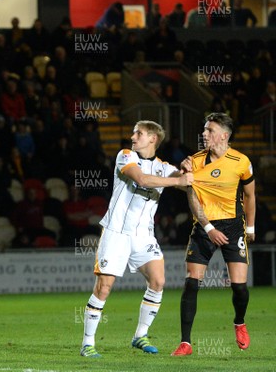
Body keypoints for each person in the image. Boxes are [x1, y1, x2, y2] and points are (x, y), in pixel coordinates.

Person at [80, 121, 194, 358]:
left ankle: (140, 335)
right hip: (116, 232)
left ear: (153, 138)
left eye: (139, 133)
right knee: (104, 287)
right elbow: (142, 179)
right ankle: (87, 343)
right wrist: (179, 181)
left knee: (158, 281)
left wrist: (188, 170)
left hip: (143, 236)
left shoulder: (164, 168)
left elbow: (189, 183)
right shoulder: (125, 156)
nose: (133, 137)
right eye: (133, 132)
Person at [172, 113, 255, 356]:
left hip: (233, 227)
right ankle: (185, 343)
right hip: (204, 227)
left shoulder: (241, 161)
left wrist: (250, 227)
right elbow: (188, 193)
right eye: (204, 130)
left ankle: (239, 322)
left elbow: (250, 195)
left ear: (224, 135)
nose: (204, 134)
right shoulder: (195, 161)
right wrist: (208, 228)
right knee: (191, 282)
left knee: (239, 287)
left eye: (210, 130)